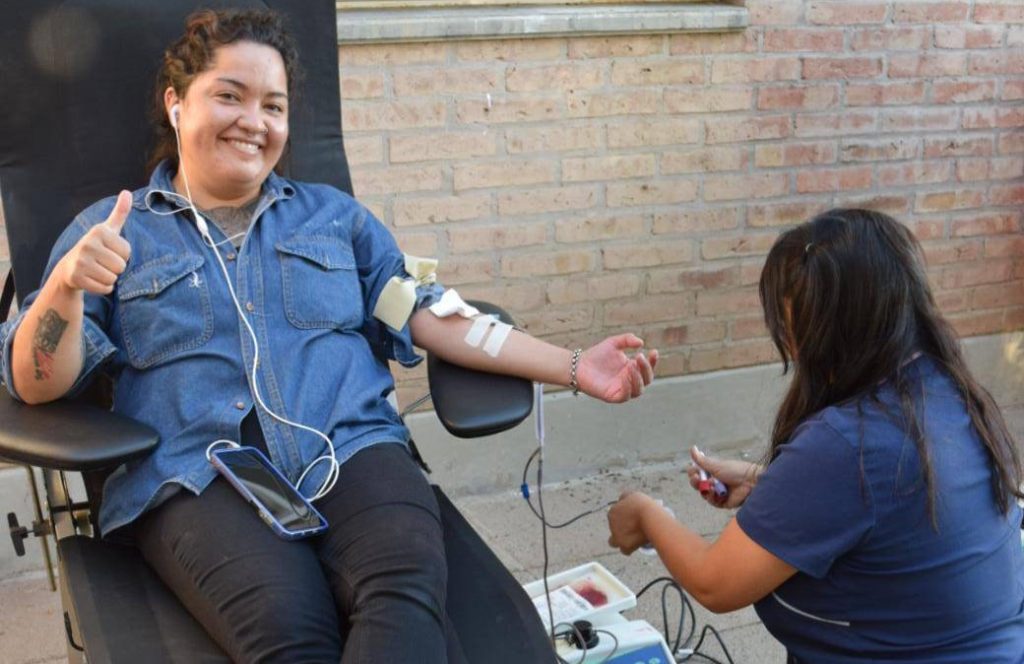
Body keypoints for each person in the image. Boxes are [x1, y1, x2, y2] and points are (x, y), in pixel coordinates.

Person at [0, 9, 658, 662]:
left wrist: (576, 365)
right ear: (176, 103)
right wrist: (65, 288)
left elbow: (431, 311)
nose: (254, 121)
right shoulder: (113, 232)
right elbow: (35, 382)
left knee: (405, 587)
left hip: (352, 447)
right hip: (200, 475)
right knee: (289, 630)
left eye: (274, 106)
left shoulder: (333, 219)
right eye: (229, 96)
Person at [607, 209, 1024, 663]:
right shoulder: (947, 390)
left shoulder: (847, 442)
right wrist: (770, 483)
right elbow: (889, 504)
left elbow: (715, 583)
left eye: (794, 328)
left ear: (832, 331)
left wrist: (646, 515)